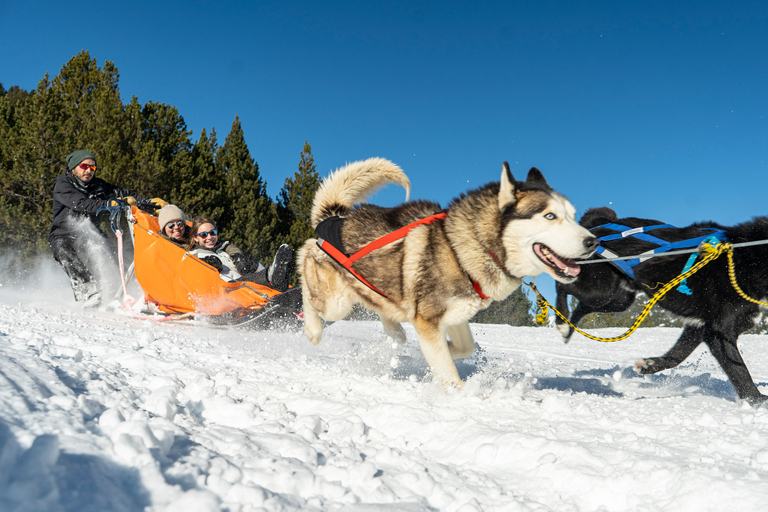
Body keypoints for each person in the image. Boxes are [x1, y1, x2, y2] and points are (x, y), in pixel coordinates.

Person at [49, 149, 167, 305]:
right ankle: (89, 291)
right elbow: (80, 204)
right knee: (64, 253)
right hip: (63, 234)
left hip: (90, 232)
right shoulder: (63, 184)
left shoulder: (99, 186)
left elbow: (125, 195)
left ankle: (138, 291)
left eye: (93, 167)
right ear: (73, 168)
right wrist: (108, 204)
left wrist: (151, 202)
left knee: (115, 256)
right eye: (84, 166)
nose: (89, 170)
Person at [187, 216, 293, 292]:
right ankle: (272, 275)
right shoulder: (193, 256)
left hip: (244, 287)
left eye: (212, 233)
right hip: (227, 292)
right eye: (204, 235)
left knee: (254, 267)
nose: (209, 237)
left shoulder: (224, 251)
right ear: (195, 237)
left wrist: (249, 265)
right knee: (258, 279)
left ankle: (283, 285)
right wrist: (204, 267)